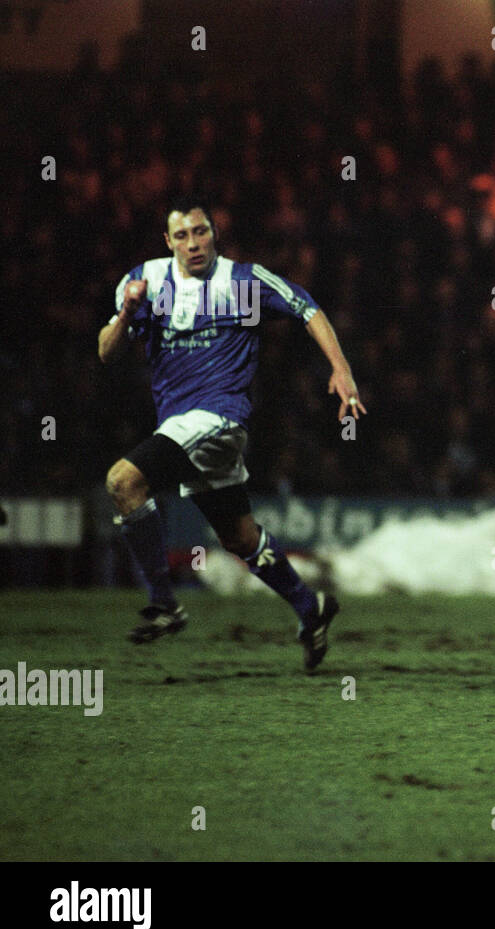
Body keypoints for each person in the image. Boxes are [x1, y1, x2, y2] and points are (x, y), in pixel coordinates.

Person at [99, 196, 365, 671]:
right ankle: (312, 609)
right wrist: (126, 314)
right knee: (239, 538)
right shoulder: (148, 281)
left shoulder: (241, 282)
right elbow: (106, 352)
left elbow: (307, 307)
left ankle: (163, 604)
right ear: (168, 242)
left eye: (200, 232)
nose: (193, 243)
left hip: (219, 418)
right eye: (182, 235)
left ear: (213, 234)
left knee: (124, 481)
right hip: (182, 426)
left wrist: (340, 368)